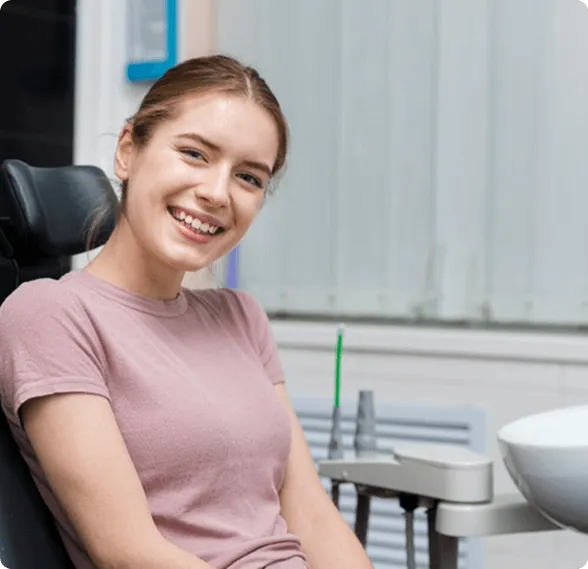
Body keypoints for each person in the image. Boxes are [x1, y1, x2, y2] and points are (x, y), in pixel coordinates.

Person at [0, 55, 373, 569]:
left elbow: (312, 514)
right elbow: (128, 552)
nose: (217, 193)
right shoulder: (49, 314)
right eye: (195, 154)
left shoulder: (241, 316)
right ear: (128, 151)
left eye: (248, 177)